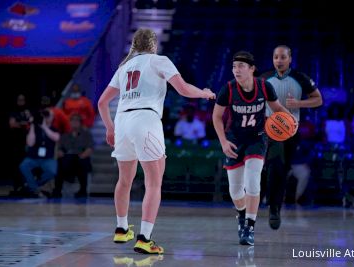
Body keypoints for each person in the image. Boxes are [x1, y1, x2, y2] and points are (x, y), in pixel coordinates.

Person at [98, 28, 215, 254]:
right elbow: (183, 89)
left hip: (122, 121)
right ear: (153, 45)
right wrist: (204, 93)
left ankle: (121, 229)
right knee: (153, 182)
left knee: (124, 180)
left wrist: (110, 128)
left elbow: (102, 103)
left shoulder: (124, 67)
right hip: (146, 119)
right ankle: (144, 238)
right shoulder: (159, 60)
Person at [212, 50, 296, 246]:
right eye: (234, 67)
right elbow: (216, 117)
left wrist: (291, 121)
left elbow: (277, 109)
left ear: (252, 69)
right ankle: (241, 214)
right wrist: (223, 141)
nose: (236, 70)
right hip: (234, 140)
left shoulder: (264, 87)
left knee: (252, 180)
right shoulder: (229, 89)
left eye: (241, 66)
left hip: (257, 138)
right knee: (235, 192)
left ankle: (249, 226)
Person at [261, 45, 323, 230]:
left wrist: (299, 103)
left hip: (291, 131)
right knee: (275, 166)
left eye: (282, 57)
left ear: (290, 59)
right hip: (268, 130)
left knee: (282, 169)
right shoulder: (263, 78)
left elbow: (318, 99)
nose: (279, 60)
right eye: (275, 57)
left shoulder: (300, 78)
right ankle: (272, 207)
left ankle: (274, 205)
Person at [19, 108, 60, 197]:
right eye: (45, 116)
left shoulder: (54, 129)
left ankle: (33, 185)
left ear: (52, 118)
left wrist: (45, 127)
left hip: (47, 158)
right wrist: (33, 125)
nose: (46, 117)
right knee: (23, 166)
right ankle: (35, 189)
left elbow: (56, 138)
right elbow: (30, 143)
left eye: (48, 115)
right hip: (33, 157)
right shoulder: (35, 128)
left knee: (52, 171)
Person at [51, 114, 94, 198]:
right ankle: (57, 190)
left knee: (83, 162)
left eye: (76, 120)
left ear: (80, 123)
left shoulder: (86, 134)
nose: (74, 122)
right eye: (72, 120)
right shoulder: (65, 134)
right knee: (59, 163)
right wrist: (60, 152)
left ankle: (82, 191)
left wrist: (82, 156)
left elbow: (90, 148)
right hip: (67, 159)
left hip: (80, 158)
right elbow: (59, 148)